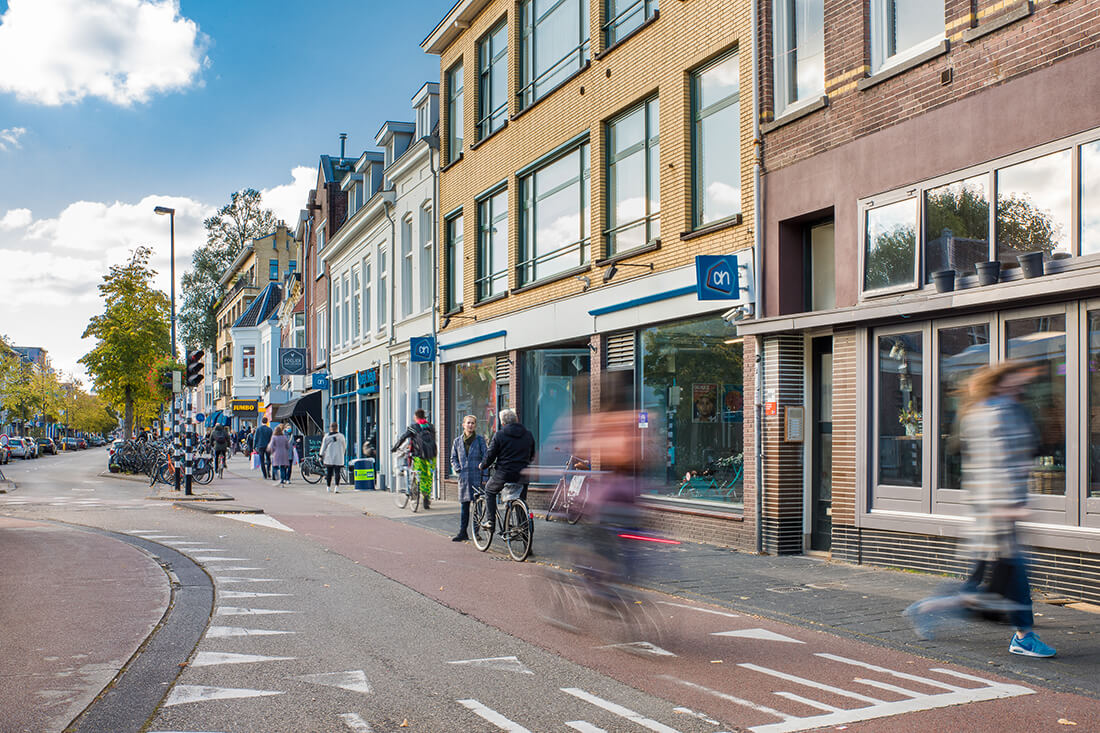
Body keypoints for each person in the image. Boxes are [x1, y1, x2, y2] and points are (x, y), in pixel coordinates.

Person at [904, 361, 1055, 658]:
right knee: (1012, 579)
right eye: (1015, 381)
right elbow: (992, 465)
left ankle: (925, 609)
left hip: (1000, 512)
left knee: (982, 586)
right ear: (998, 384)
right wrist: (1007, 506)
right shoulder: (991, 415)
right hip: (997, 513)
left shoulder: (1003, 411)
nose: (1020, 387)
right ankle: (1023, 636)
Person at [479, 408, 535, 533]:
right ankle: (525, 535)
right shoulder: (528, 434)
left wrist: (483, 465)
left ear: (503, 423)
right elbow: (531, 455)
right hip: (523, 475)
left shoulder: (499, 434)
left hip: (504, 474)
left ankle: (490, 522)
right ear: (516, 420)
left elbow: (490, 455)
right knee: (520, 502)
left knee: (489, 491)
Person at [449, 415, 489, 542]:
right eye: (468, 423)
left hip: (477, 477)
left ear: (475, 425)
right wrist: (457, 469)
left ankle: (476, 532)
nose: (470, 425)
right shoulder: (457, 441)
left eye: (472, 423)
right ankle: (462, 532)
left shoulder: (480, 440)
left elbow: (486, 458)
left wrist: (485, 476)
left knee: (477, 507)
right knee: (464, 507)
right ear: (463, 425)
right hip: (464, 478)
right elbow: (453, 458)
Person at [392, 409, 438, 509]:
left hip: (419, 456)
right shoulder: (431, 426)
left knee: (418, 475)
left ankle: (415, 495)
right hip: (431, 455)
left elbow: (403, 437)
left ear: (416, 417)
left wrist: (395, 447)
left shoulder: (414, 427)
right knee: (428, 477)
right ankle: (426, 497)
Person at [320, 422, 347, 493]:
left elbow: (323, 447)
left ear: (330, 428)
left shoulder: (326, 436)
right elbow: (344, 446)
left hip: (329, 457)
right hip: (339, 457)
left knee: (329, 473)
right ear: (337, 428)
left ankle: (328, 487)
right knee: (337, 472)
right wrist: (342, 453)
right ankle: (336, 487)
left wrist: (321, 455)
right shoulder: (341, 436)